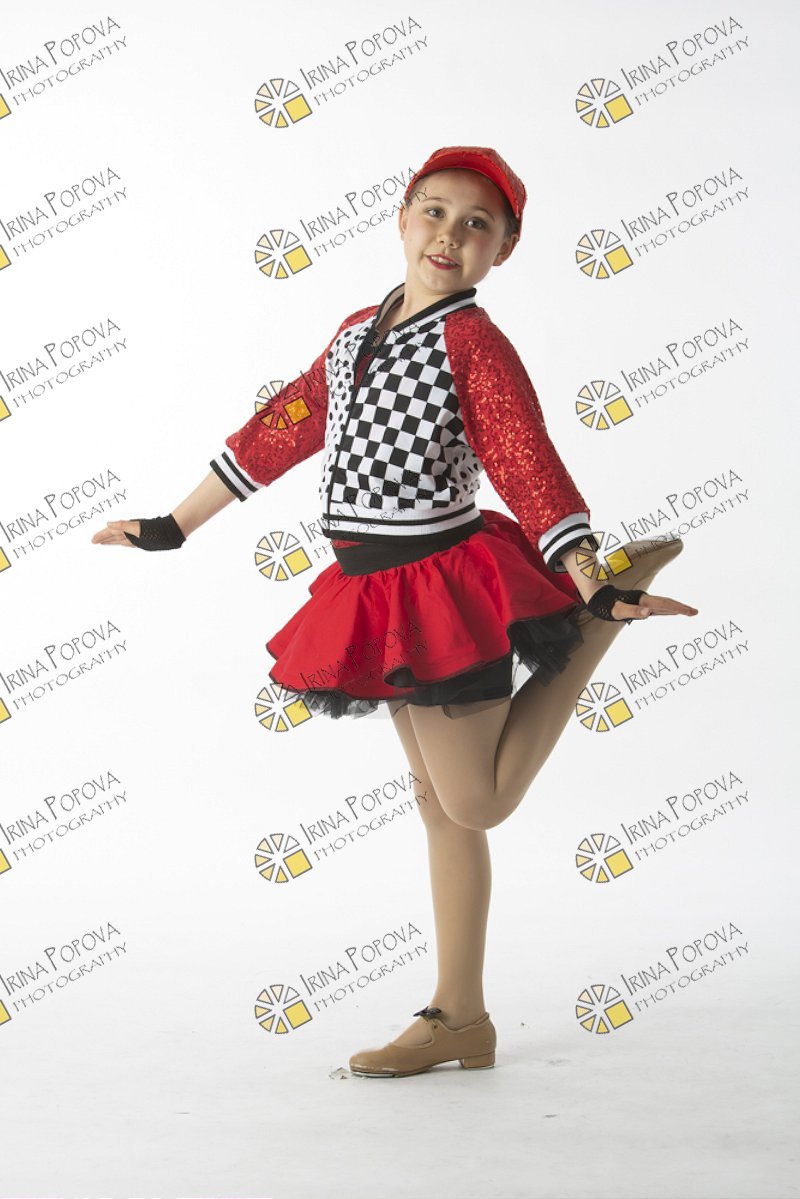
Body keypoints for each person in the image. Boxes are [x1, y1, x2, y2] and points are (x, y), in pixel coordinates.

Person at [91, 145, 698, 1078]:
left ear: (503, 249)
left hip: (445, 588)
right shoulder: (355, 330)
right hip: (375, 593)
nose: (451, 234)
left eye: (478, 224)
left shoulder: (474, 344)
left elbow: (525, 459)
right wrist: (175, 524)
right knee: (440, 809)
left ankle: (592, 625)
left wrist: (587, 576)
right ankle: (461, 1016)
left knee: (476, 799)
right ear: (403, 218)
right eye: (436, 211)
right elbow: (284, 426)